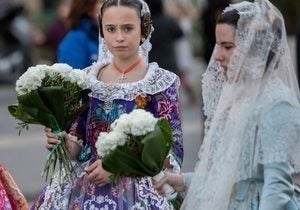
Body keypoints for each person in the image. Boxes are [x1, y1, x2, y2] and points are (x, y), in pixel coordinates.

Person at [31, 0, 183, 209]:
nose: (119, 37)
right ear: (102, 31)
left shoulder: (160, 83)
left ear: (143, 30)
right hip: (88, 185)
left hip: (141, 191)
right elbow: (81, 140)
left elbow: (172, 150)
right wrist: (65, 143)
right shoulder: (87, 80)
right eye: (111, 29)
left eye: (127, 28)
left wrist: (120, 165)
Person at [154, 0, 300, 209]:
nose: (218, 56)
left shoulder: (277, 103)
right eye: (218, 46)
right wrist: (183, 181)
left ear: (255, 47)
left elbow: (277, 186)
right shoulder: (235, 98)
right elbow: (226, 175)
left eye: (228, 46)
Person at [57, 0, 104, 69]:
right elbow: (73, 76)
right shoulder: (75, 40)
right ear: (88, 7)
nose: (108, 5)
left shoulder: (102, 35)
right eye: (102, 1)